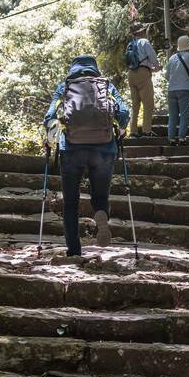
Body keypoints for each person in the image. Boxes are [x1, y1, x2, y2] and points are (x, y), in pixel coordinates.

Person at [44, 55, 130, 257]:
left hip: (72, 149)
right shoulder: (106, 86)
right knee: (101, 195)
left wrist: (50, 139)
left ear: (73, 69)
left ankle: (74, 251)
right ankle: (100, 213)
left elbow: (50, 116)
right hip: (104, 148)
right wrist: (122, 128)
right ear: (94, 68)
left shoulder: (64, 87)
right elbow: (124, 111)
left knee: (71, 203)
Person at [164, 34, 189, 145]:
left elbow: (167, 76)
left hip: (171, 90)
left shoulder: (172, 58)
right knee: (184, 114)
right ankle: (182, 138)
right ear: (188, 45)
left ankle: (171, 139)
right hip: (185, 89)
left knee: (173, 115)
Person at [123, 22, 159, 137]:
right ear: (142, 32)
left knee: (135, 104)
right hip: (142, 74)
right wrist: (157, 66)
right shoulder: (144, 42)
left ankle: (133, 131)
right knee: (148, 103)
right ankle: (146, 130)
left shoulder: (130, 44)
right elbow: (152, 57)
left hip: (131, 74)